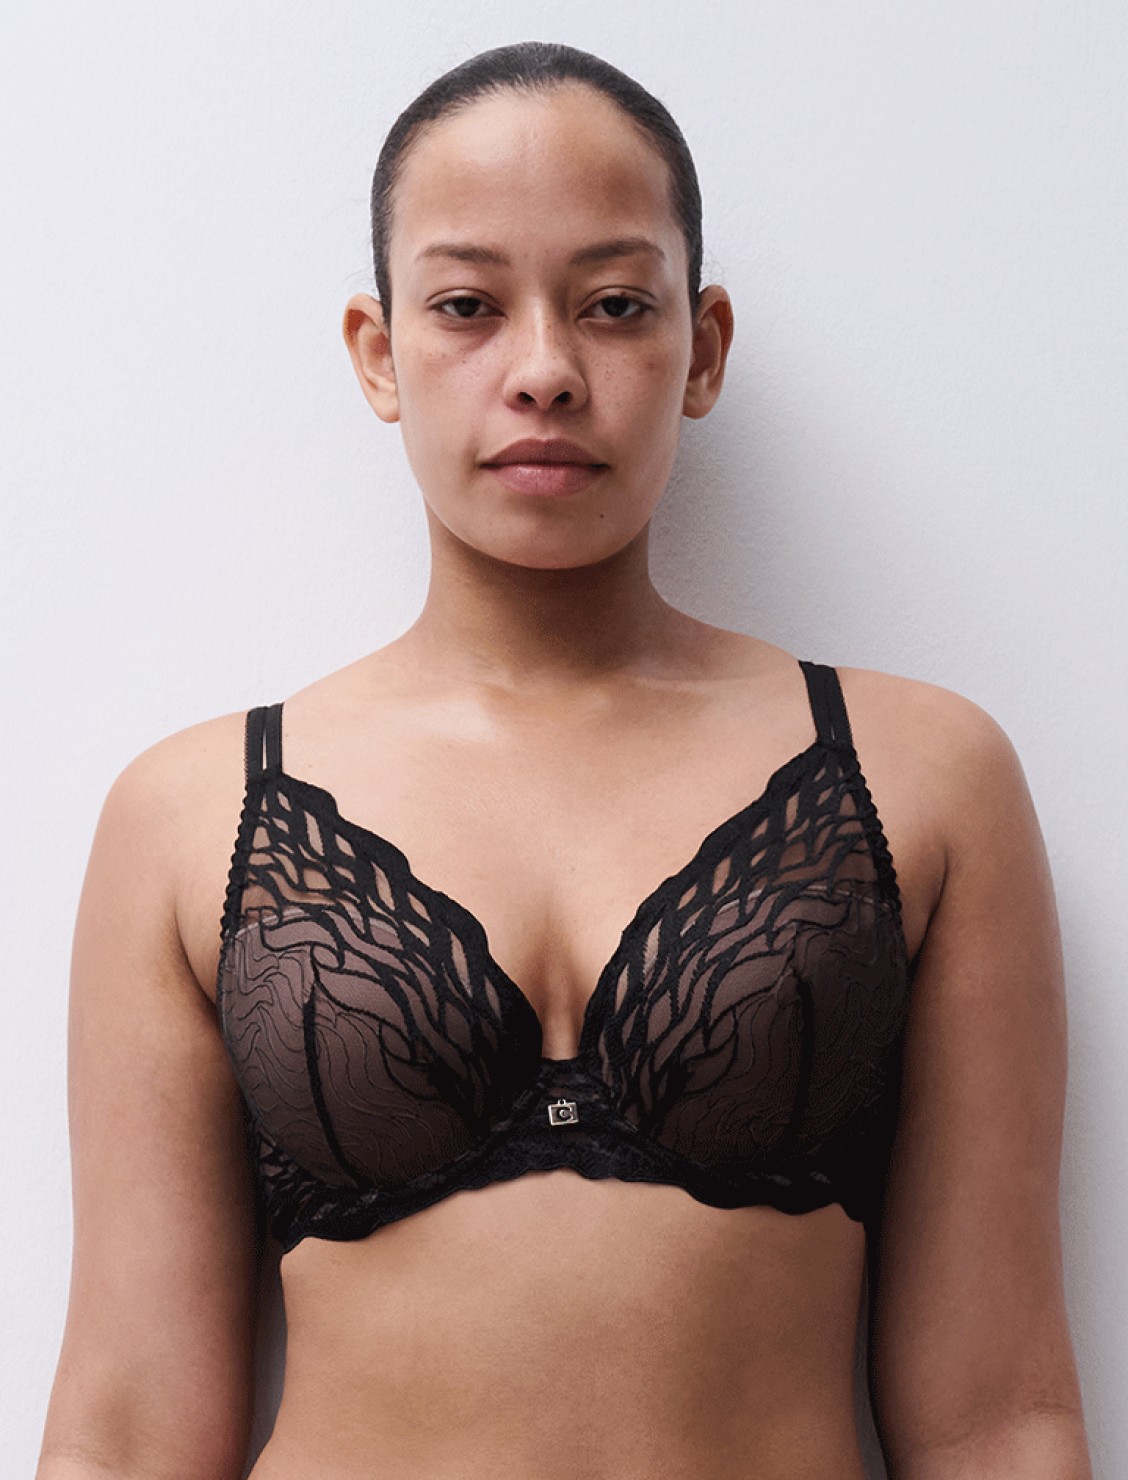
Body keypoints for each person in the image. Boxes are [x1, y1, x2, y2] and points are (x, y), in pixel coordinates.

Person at [36, 40, 1091, 1480]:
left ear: (701, 348)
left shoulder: (924, 781)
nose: (542, 371)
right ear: (378, 351)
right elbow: (128, 1430)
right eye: (468, 306)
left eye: (613, 305)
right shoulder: (191, 815)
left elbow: (996, 1417)